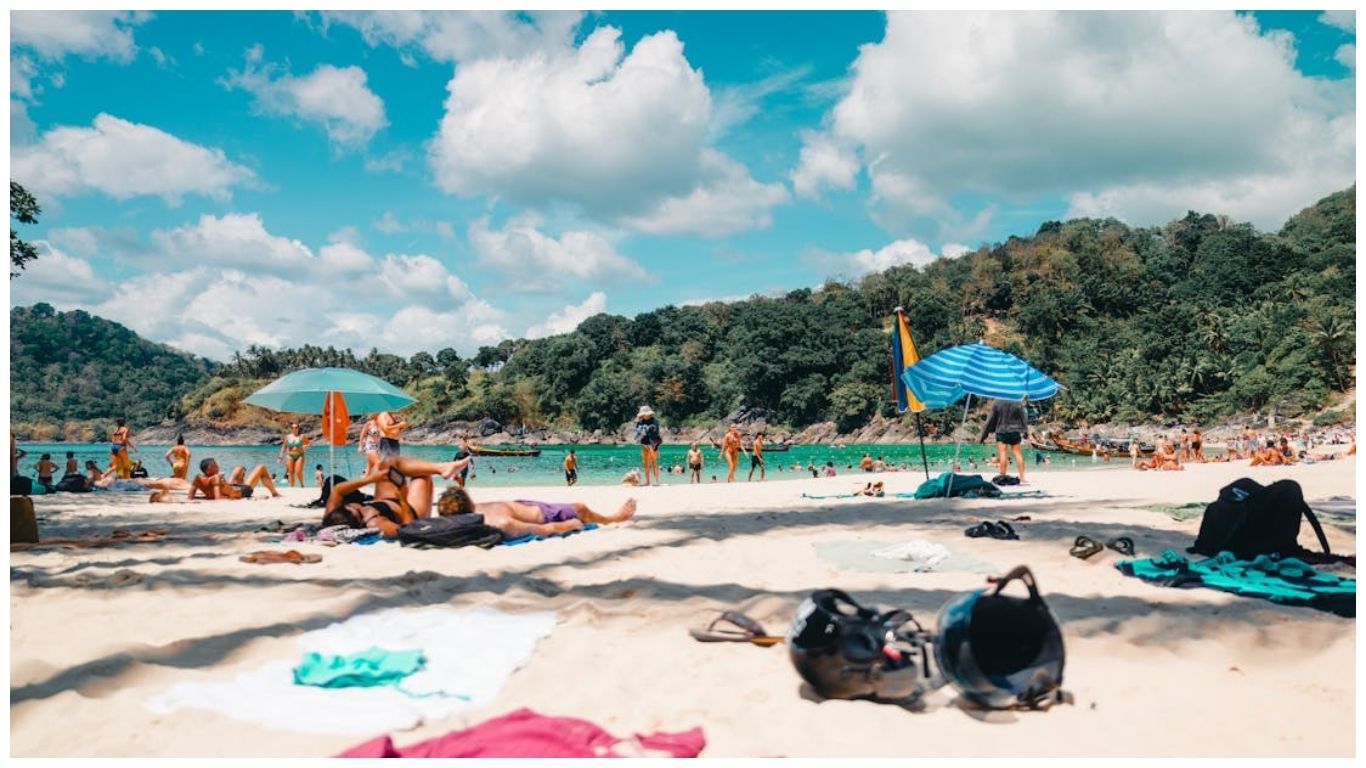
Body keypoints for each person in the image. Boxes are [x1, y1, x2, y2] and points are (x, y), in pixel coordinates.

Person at [319, 456, 471, 535]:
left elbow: (338, 490)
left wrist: (372, 479)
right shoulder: (376, 524)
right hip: (410, 510)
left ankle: (442, 468)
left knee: (388, 463)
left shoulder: (332, 516)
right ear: (359, 522)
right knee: (422, 476)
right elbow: (408, 528)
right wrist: (403, 498)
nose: (358, 505)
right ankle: (442, 469)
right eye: (359, 511)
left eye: (350, 505)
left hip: (384, 500)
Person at [436, 487, 637, 539]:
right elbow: (537, 529)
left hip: (524, 506)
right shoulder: (498, 521)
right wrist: (567, 526)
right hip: (544, 515)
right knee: (581, 508)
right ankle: (612, 519)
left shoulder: (472, 510)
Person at [979, 398, 1028, 483]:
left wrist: (983, 435)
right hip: (1015, 430)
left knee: (1003, 453)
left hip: (1001, 430)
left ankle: (1003, 475)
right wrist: (1025, 431)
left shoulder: (997, 402)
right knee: (1017, 452)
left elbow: (990, 419)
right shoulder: (1017, 401)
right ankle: (1022, 477)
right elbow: (1023, 417)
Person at [189, 458, 282, 500]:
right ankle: (275, 493)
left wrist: (206, 497)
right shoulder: (216, 478)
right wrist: (231, 497)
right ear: (212, 467)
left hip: (230, 487)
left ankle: (241, 477)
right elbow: (218, 498)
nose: (218, 466)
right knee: (261, 467)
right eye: (216, 465)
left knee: (238, 469)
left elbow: (190, 497)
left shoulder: (197, 478)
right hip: (242, 491)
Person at [634, 406, 662, 487]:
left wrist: (645, 430)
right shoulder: (640, 422)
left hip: (653, 444)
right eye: (643, 415)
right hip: (644, 444)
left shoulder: (654, 421)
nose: (644, 416)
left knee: (654, 462)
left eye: (645, 414)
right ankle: (647, 481)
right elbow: (637, 433)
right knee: (645, 463)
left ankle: (656, 481)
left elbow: (655, 431)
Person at [279, 422, 310, 488]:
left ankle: (302, 485)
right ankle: (292, 487)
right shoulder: (288, 437)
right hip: (290, 455)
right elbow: (283, 447)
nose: (294, 429)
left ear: (298, 428)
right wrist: (280, 457)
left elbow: (309, 444)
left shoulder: (302, 436)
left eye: (296, 427)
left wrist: (305, 446)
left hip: (300, 455)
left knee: (298, 472)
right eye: (292, 428)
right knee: (291, 472)